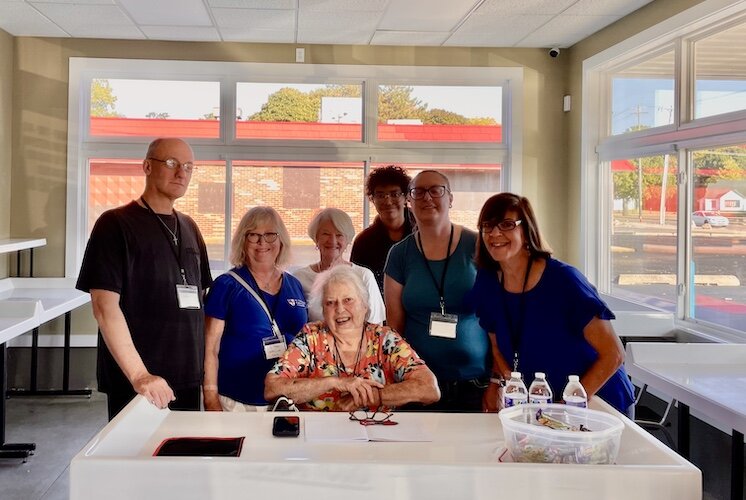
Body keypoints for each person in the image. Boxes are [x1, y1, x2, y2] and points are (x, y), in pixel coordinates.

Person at [76, 138, 212, 420]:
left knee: (182, 458)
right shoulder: (115, 224)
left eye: (188, 166)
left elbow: (200, 299)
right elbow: (104, 307)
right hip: (139, 382)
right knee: (136, 460)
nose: (181, 173)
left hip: (186, 376)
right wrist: (140, 375)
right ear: (147, 166)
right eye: (172, 163)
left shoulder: (189, 227)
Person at [471, 192, 635, 415]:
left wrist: (569, 406)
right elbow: (497, 345)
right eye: (487, 226)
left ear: (527, 233)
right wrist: (497, 383)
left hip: (600, 403)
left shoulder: (564, 281)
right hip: (541, 406)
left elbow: (614, 354)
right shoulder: (487, 280)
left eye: (507, 224)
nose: (495, 233)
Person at [265, 265, 439, 411]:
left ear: (364, 305)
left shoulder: (384, 339)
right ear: (323, 311)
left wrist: (374, 396)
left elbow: (429, 389)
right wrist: (333, 382)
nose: (340, 310)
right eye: (330, 303)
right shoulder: (311, 338)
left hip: (376, 442)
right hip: (319, 443)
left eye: (348, 300)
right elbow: (272, 388)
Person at [384, 170, 489, 412]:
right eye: (418, 192)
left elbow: (497, 318)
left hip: (474, 384)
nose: (427, 197)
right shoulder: (400, 254)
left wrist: (497, 380)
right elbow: (395, 325)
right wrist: (391, 379)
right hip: (416, 384)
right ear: (408, 201)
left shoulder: (477, 246)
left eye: (436, 190)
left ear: (450, 198)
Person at [202, 207, 308, 412]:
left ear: (281, 240)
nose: (262, 243)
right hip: (236, 402)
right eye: (254, 235)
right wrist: (210, 399)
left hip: (288, 401)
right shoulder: (226, 285)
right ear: (243, 240)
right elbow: (210, 349)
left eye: (270, 235)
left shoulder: (295, 285)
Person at [292, 208, 385, 323]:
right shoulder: (299, 278)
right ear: (316, 238)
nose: (332, 240)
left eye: (339, 235)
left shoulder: (364, 276)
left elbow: (376, 325)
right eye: (325, 234)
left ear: (348, 240)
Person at [351, 165, 413, 296]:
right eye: (380, 195)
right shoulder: (364, 242)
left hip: (419, 312)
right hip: (380, 314)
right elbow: (356, 286)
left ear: (406, 197)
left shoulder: (423, 234)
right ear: (372, 199)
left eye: (394, 194)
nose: (388, 201)